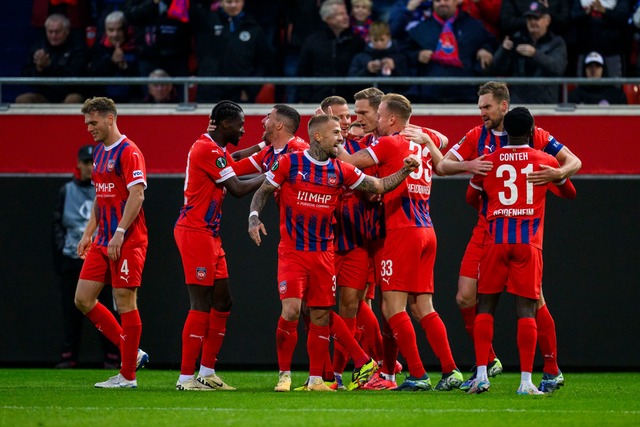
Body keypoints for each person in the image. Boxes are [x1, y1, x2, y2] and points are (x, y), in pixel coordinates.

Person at [248, 114, 420, 392]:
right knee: (291, 310)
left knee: (319, 315)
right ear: (318, 137)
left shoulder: (341, 169)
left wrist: (405, 171)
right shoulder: (290, 163)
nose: (341, 137)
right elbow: (264, 190)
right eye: (336, 133)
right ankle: (284, 374)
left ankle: (317, 379)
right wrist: (254, 217)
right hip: (292, 251)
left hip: (323, 254)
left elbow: (378, 186)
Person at [436, 81, 582, 393]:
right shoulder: (479, 135)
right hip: (498, 232)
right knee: (467, 297)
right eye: (480, 107)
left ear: (504, 106)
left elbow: (574, 161)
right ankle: (494, 366)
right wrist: (469, 164)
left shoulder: (535, 135)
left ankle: (550, 367)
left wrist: (558, 172)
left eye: (486, 107)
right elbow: (444, 165)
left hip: (500, 231)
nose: (482, 113)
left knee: (521, 301)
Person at [337, 93, 463, 391]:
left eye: (378, 116)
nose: (375, 121)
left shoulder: (390, 142)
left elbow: (350, 163)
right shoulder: (421, 139)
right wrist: (426, 135)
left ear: (392, 119)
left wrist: (331, 137)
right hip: (426, 230)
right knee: (423, 307)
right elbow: (442, 140)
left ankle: (417, 374)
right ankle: (450, 370)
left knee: (393, 308)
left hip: (400, 231)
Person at [466, 107, 577, 395]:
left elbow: (470, 198)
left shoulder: (488, 162)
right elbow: (570, 194)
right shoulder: (544, 161)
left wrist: (495, 202)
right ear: (532, 131)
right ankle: (527, 381)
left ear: (505, 132)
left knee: (485, 306)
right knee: (527, 309)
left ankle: (481, 376)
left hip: (495, 241)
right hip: (528, 243)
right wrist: (555, 177)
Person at [174, 100, 266, 391]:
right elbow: (237, 188)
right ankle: (186, 378)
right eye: (240, 124)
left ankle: (207, 372)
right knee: (200, 303)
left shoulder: (214, 149)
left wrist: (260, 149)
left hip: (210, 234)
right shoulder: (206, 149)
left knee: (223, 302)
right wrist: (277, 173)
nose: (243, 128)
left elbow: (232, 159)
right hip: (194, 232)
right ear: (225, 124)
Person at [74, 97, 149, 388]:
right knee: (83, 299)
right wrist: (88, 232)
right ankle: (132, 351)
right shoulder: (98, 152)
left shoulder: (129, 152)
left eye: (93, 122)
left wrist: (119, 231)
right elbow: (101, 195)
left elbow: (137, 195)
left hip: (127, 239)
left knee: (124, 302)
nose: (89, 128)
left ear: (109, 119)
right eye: (87, 123)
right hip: (103, 239)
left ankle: (128, 376)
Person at [52, 145, 120, 369]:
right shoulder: (66, 191)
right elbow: (57, 224)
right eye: (86, 162)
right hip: (72, 256)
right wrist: (63, 249)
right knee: (71, 309)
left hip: (101, 253)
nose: (90, 167)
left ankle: (113, 355)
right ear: (78, 164)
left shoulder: (104, 189)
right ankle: (68, 356)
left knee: (106, 307)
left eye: (93, 163)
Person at [407, 0, 496, 103]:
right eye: (438, 1)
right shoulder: (420, 29)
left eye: (446, 0)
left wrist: (485, 49)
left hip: (466, 96)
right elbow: (405, 54)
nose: (442, 3)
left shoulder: (473, 25)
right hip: (430, 97)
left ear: (457, 2)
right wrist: (417, 55)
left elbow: (492, 42)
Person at [189, 0, 274, 103]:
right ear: (221, 2)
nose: (233, 5)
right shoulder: (207, 22)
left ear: (243, 3)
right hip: (209, 91)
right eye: (229, 2)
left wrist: (250, 90)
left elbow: (263, 63)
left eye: (237, 1)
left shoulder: (254, 28)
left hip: (239, 93)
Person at [492, 1, 567, 104]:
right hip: (519, 103)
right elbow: (497, 68)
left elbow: (558, 67)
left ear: (547, 20)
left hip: (545, 105)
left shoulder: (556, 43)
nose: (532, 22)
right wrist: (503, 51)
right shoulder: (517, 39)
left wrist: (535, 54)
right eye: (529, 19)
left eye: (536, 18)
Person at [296, 0, 365, 103]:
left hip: (349, 102)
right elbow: (303, 72)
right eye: (340, 14)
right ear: (328, 18)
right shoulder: (312, 41)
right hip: (318, 101)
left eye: (346, 13)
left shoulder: (357, 41)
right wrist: (307, 98)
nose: (346, 17)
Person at [17, 13, 87, 103]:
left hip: (69, 93)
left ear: (67, 31)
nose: (53, 36)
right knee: (23, 99)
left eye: (57, 32)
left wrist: (50, 66)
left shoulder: (78, 48)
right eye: (50, 32)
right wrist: (39, 68)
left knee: (74, 99)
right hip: (45, 95)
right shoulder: (38, 47)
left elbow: (75, 75)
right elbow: (26, 75)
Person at [87, 10, 139, 103]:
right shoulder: (98, 47)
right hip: (103, 102)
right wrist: (111, 61)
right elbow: (91, 74)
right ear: (105, 30)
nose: (115, 34)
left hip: (131, 101)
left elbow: (140, 79)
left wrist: (125, 67)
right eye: (111, 30)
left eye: (119, 29)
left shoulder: (136, 46)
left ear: (125, 29)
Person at [348, 21, 409, 94]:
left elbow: (407, 86)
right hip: (368, 102)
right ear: (369, 37)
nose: (379, 43)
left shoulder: (399, 58)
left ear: (389, 37)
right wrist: (367, 70)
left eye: (382, 40)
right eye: (375, 40)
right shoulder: (360, 58)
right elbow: (351, 85)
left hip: (392, 102)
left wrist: (394, 69)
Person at [500, 0, 570, 37]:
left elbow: (565, 22)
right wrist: (531, 21)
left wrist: (547, 12)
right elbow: (506, 22)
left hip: (553, 43)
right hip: (521, 40)